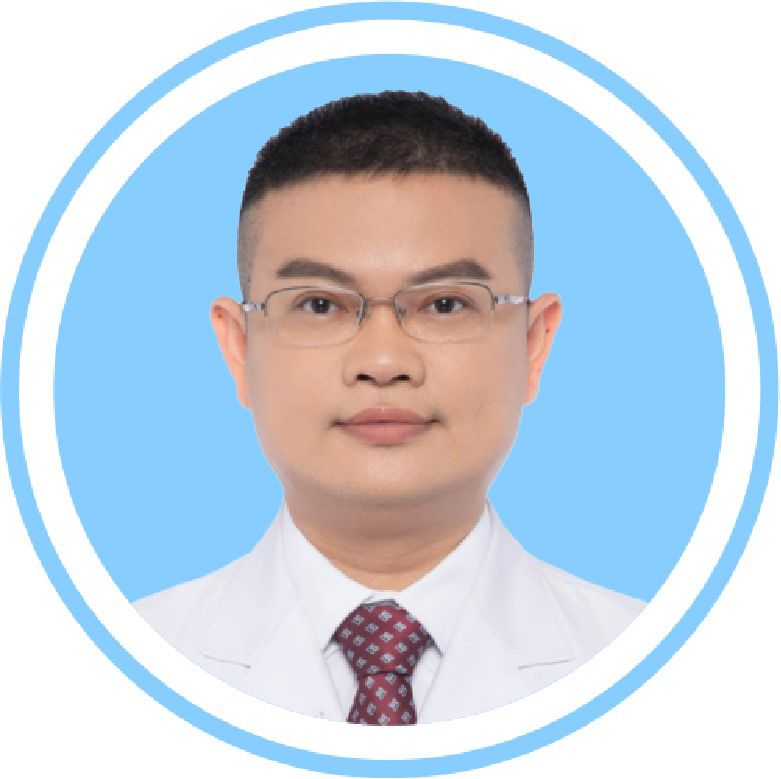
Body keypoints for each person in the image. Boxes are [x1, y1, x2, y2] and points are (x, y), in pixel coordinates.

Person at [134, 90, 644, 726]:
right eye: (319, 304)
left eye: (446, 304)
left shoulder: (665, 668)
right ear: (239, 349)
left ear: (533, 345)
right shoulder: (110, 669)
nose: (382, 361)